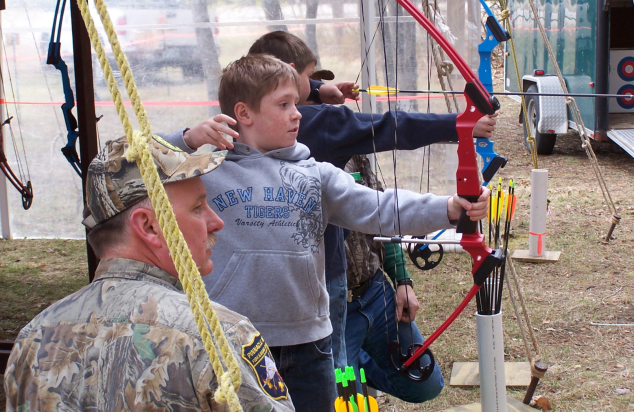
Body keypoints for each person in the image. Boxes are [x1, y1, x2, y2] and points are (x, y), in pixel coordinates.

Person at [161, 54, 491, 412]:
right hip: (230, 340)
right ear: (244, 113)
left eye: (296, 102)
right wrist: (185, 139)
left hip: (309, 343)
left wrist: (449, 208)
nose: (298, 113)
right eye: (284, 104)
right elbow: (124, 165)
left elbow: (378, 208)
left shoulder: (316, 174)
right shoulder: (205, 169)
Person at [3, 135, 295, 412]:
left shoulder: (33, 339)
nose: (216, 222)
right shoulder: (215, 334)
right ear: (149, 227)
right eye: (197, 207)